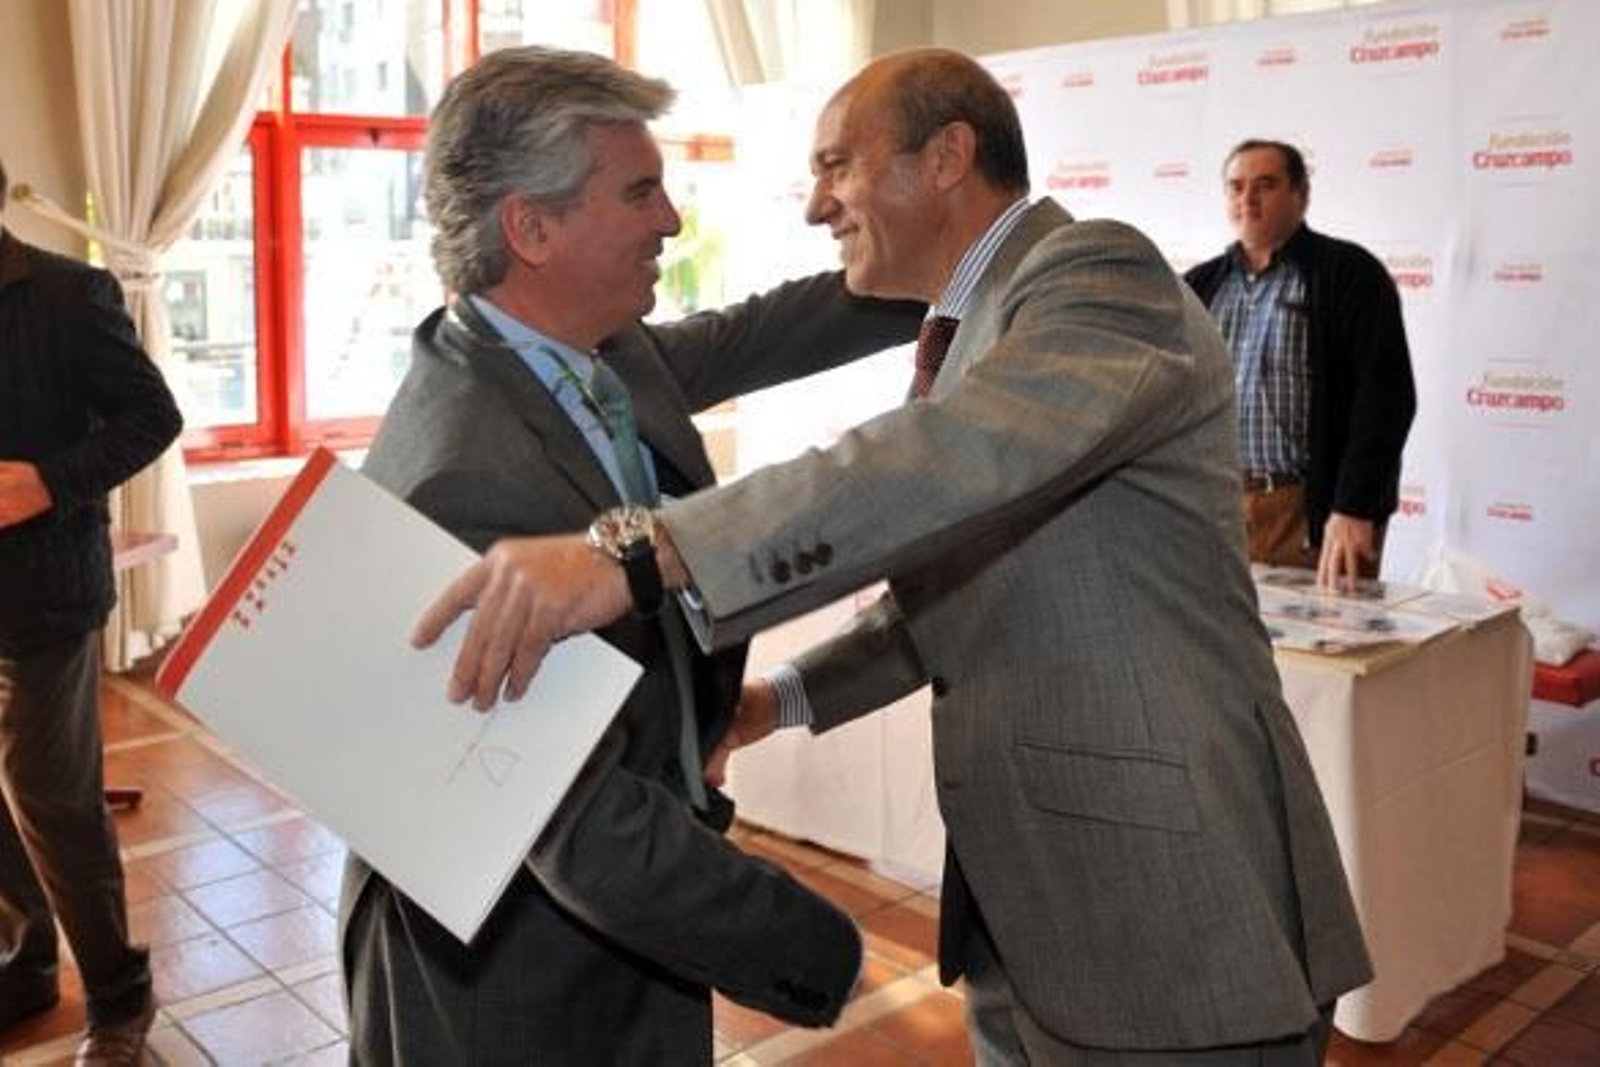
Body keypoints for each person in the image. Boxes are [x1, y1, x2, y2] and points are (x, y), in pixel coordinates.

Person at [414, 49, 1376, 1063]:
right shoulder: (974, 328)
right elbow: (956, 585)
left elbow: (942, 458)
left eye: (837, 165)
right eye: (639, 190)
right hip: (1030, 919)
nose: (814, 205)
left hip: (1169, 922)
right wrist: (776, 699)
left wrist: (643, 554)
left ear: (947, 156)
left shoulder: (1097, 276)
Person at [338, 47, 924, 1064]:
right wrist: (821, 951)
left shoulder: (592, 350)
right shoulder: (460, 478)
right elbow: (580, 823)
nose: (672, 220)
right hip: (522, 976)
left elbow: (764, 332)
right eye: (640, 191)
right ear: (531, 228)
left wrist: (949, 257)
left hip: (618, 920)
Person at [1, 155, 177, 1065]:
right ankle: (26, 961)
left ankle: (118, 990)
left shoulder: (72, 294)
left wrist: (48, 481)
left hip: (47, 591)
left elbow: (154, 418)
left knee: (47, 790)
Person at [1184, 139, 1416, 589]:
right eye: (1236, 187)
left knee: (1326, 635)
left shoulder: (1349, 274)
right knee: (1223, 635)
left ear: (1301, 194)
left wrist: (1355, 507)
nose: (1248, 199)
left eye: (1265, 185)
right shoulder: (1199, 285)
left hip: (1314, 514)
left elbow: (1386, 398)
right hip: (1219, 509)